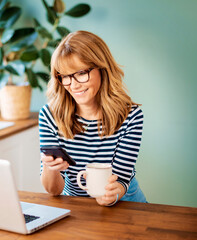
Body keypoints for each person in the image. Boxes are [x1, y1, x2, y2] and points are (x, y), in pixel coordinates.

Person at [39, 30, 147, 206]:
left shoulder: (130, 116)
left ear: (102, 69)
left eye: (81, 73)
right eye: (65, 76)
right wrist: (51, 169)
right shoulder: (49, 115)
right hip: (76, 205)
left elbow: (121, 180)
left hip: (124, 203)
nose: (73, 85)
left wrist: (113, 193)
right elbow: (53, 190)